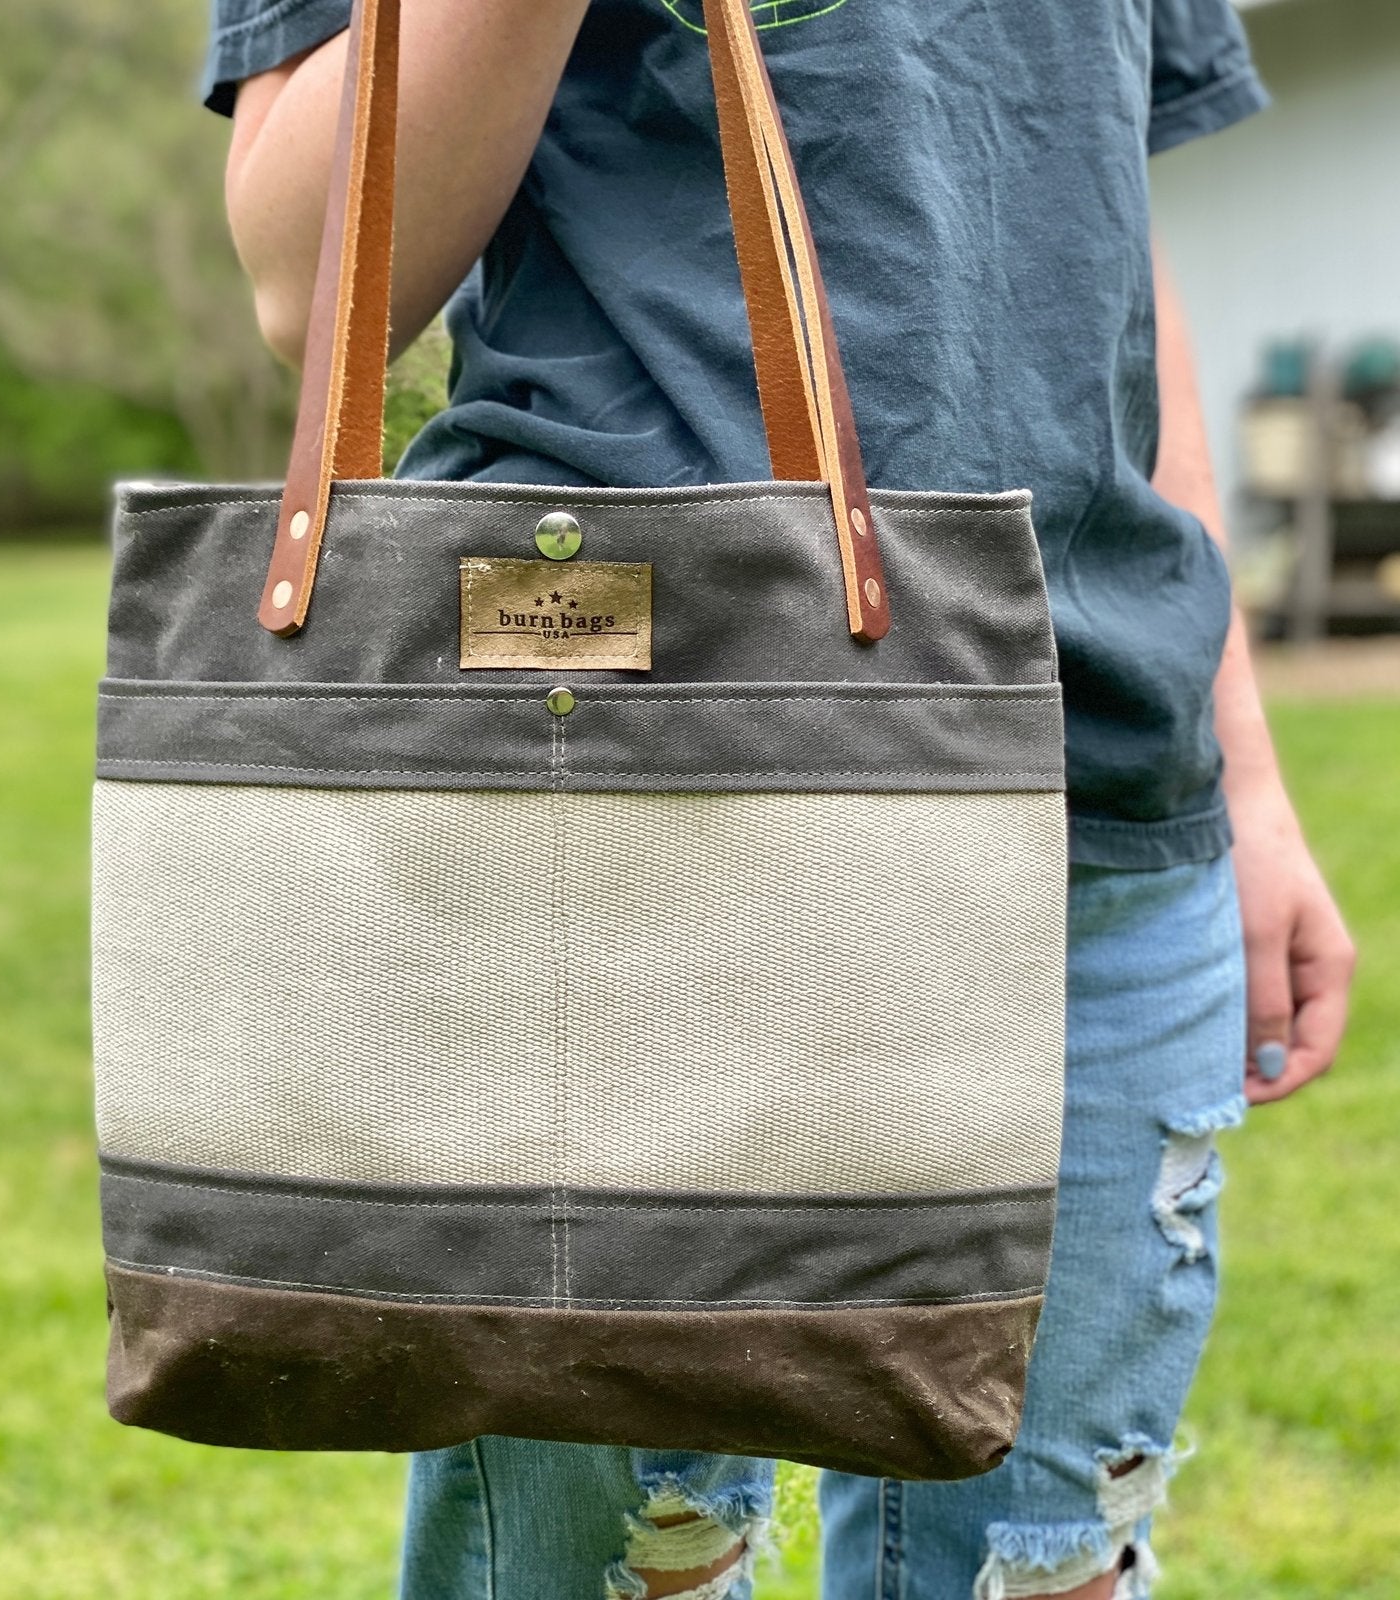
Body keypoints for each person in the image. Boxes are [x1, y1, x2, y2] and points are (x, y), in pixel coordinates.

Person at [204, 3, 1357, 1596]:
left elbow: (1106, 250)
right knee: (625, 1571)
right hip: (627, 777)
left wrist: (1245, 769)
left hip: (1095, 773)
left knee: (1049, 1563)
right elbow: (304, 284)